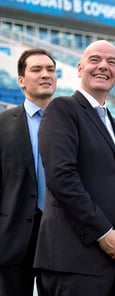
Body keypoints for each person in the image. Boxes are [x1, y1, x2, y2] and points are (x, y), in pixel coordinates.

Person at [33, 40, 115, 296]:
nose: (103, 66)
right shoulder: (62, 109)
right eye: (95, 60)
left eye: (112, 62)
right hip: (75, 261)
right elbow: (61, 178)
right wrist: (104, 233)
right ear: (80, 68)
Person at [0, 48, 57, 296]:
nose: (45, 74)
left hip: (61, 238)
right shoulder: (2, 124)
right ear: (21, 80)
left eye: (50, 70)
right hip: (11, 239)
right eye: (36, 69)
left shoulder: (74, 123)